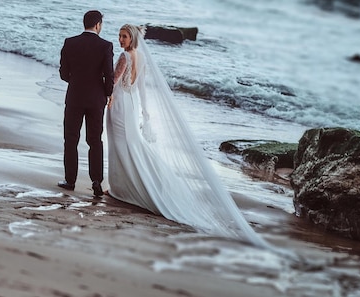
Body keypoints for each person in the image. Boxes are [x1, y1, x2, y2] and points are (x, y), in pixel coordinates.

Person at [106, 24, 273, 249]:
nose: (120, 40)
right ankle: (139, 182)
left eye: (124, 36)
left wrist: (105, 96)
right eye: (119, 36)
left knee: (120, 146)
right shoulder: (143, 57)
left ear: (132, 38)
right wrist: (144, 112)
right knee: (132, 145)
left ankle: (121, 188)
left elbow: (113, 83)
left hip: (119, 105)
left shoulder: (124, 56)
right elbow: (142, 88)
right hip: (132, 105)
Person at [58, 10, 114, 197]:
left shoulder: (70, 43)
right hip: (96, 99)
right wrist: (107, 93)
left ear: (85, 24)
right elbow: (109, 74)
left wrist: (76, 82)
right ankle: (96, 181)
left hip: (74, 96)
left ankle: (70, 180)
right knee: (95, 140)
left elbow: (63, 73)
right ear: (98, 25)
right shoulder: (106, 46)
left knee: (71, 138)